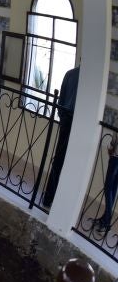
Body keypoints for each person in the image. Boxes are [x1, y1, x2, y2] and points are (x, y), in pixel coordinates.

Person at [42, 64, 80, 208]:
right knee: (71, 164)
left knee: (58, 160)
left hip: (67, 120)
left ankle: (48, 197)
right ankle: (61, 201)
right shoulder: (87, 78)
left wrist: (62, 117)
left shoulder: (70, 74)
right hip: (76, 122)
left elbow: (61, 99)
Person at [94, 138, 118, 231]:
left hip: (115, 157)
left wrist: (111, 148)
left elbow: (115, 138)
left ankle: (106, 221)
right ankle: (105, 219)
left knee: (108, 189)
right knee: (112, 189)